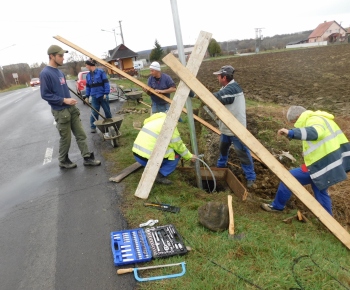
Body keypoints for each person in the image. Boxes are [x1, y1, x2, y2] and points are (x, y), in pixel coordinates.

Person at [261, 106, 350, 215]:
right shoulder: (321, 118)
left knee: (288, 177)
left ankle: (277, 206)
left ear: (298, 117)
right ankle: (329, 221)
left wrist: (291, 133)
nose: (295, 125)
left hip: (321, 164)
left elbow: (315, 133)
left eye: (294, 122)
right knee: (320, 189)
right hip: (328, 163)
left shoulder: (313, 120)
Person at [40, 45, 101, 169]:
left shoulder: (60, 72)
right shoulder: (45, 73)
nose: (63, 58)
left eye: (63, 55)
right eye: (60, 56)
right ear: (52, 56)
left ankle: (87, 157)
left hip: (71, 109)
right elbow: (45, 94)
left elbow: (62, 89)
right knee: (66, 138)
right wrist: (64, 100)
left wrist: (70, 100)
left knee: (81, 134)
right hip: (61, 111)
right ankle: (63, 160)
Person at [212, 65, 256, 188]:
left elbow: (214, 98)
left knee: (242, 153)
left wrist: (195, 94)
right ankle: (221, 168)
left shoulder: (232, 90)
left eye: (219, 76)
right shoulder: (226, 87)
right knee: (223, 149)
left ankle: (250, 177)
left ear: (224, 77)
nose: (217, 78)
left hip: (237, 130)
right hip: (226, 128)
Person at [132, 112, 197, 184]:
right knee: (176, 155)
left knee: (170, 151)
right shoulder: (170, 126)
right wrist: (190, 156)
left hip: (137, 155)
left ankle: (156, 167)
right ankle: (160, 176)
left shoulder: (156, 120)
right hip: (148, 159)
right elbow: (178, 146)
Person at [85, 58, 112, 133]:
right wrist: (87, 96)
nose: (86, 66)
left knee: (107, 111)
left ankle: (110, 125)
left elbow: (106, 83)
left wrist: (106, 93)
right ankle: (93, 127)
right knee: (94, 112)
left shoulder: (101, 72)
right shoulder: (88, 75)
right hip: (94, 97)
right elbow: (87, 87)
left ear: (90, 65)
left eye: (87, 65)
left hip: (102, 95)